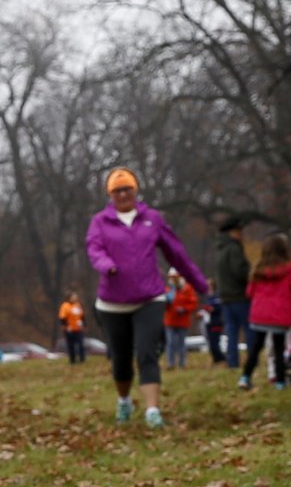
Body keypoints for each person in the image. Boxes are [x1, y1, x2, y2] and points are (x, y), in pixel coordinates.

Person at [82, 168, 210, 427]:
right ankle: (124, 400)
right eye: (117, 190)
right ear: (110, 194)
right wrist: (106, 265)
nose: (123, 194)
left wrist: (200, 283)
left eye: (127, 188)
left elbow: (177, 254)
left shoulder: (152, 219)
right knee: (120, 358)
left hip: (149, 299)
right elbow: (93, 248)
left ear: (136, 190)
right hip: (112, 303)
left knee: (147, 352)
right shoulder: (100, 222)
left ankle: (152, 410)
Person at [243, 233, 291, 388]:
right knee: (279, 348)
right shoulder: (290, 269)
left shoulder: (258, 268)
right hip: (280, 315)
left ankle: (245, 376)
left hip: (259, 315)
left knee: (256, 346)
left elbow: (249, 292)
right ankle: (279, 381)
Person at [210, 216, 254, 375]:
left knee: (231, 332)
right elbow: (239, 271)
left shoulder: (220, 249)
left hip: (225, 296)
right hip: (239, 296)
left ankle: (232, 361)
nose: (241, 234)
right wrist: (249, 273)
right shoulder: (234, 248)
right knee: (248, 330)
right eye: (239, 231)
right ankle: (251, 359)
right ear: (232, 232)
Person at [163, 272, 201, 369]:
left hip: (182, 321)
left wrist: (184, 309)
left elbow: (193, 303)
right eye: (171, 277)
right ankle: (171, 363)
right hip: (170, 320)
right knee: (170, 342)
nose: (173, 279)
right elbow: (163, 305)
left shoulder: (187, 289)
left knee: (181, 343)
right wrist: (166, 303)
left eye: (174, 277)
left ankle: (182, 363)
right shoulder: (168, 290)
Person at [59, 293, 87, 364]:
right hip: (69, 329)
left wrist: (84, 324)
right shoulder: (65, 306)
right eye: (73, 297)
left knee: (81, 344)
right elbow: (62, 317)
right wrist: (65, 326)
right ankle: (72, 360)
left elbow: (82, 316)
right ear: (69, 298)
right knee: (71, 345)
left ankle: (82, 359)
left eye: (75, 297)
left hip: (78, 328)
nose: (75, 299)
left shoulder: (78, 305)